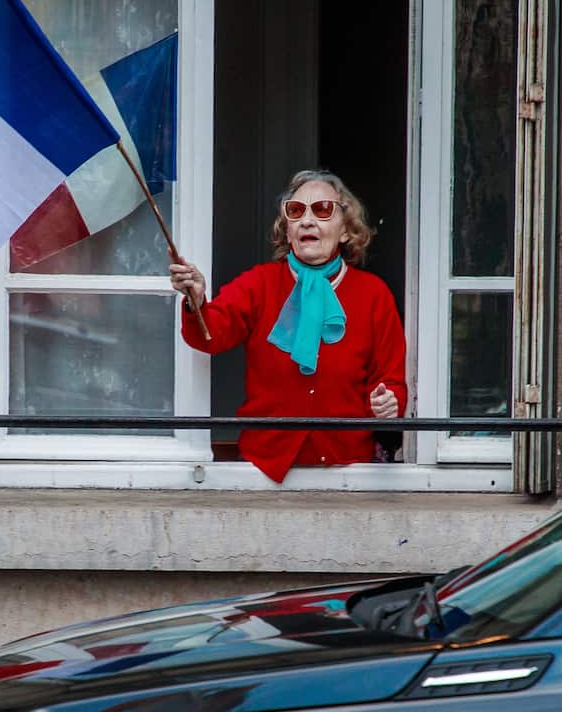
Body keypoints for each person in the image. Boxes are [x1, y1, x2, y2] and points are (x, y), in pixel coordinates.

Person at [169, 170, 407, 483]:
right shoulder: (259, 284)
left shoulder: (373, 294)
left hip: (348, 469)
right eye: (296, 211)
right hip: (265, 468)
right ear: (288, 230)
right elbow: (210, 335)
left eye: (322, 210)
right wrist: (196, 301)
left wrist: (388, 401)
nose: (307, 220)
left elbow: (391, 381)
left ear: (347, 230)